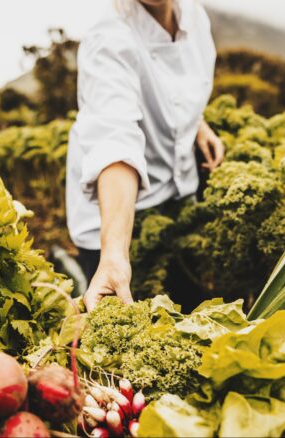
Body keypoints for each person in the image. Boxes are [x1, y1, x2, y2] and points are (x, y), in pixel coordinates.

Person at [66, 0, 225, 311]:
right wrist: (113, 254)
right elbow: (115, 139)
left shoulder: (194, 16)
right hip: (115, 213)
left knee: (187, 305)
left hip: (176, 194)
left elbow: (176, 89)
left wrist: (197, 124)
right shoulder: (108, 37)